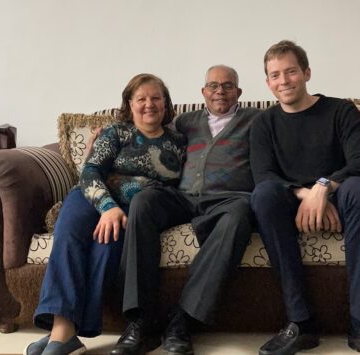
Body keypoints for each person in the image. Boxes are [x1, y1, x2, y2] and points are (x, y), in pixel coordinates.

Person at [250, 40, 360, 355]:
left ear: (306, 73)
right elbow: (263, 175)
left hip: (341, 195)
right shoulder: (263, 122)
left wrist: (323, 187)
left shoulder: (339, 110)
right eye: (275, 75)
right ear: (267, 83)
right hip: (294, 201)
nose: (284, 81)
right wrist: (306, 195)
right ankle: (300, 323)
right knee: (264, 195)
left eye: (290, 71)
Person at [24, 73, 186, 355]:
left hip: (132, 209)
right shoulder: (116, 132)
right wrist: (107, 207)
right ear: (129, 104)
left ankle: (63, 334)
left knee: (106, 246)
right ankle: (62, 330)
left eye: (156, 98)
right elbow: (90, 172)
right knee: (69, 233)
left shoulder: (179, 142)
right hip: (91, 197)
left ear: (166, 103)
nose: (149, 104)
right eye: (141, 99)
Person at [111, 65, 259, 355]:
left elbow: (295, 122)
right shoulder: (184, 122)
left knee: (241, 214)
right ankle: (141, 320)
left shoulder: (258, 119)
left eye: (228, 86)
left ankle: (182, 319)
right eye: (213, 86)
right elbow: (144, 135)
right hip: (183, 197)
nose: (220, 91)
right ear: (203, 92)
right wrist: (104, 140)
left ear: (239, 92)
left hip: (228, 200)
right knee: (144, 201)